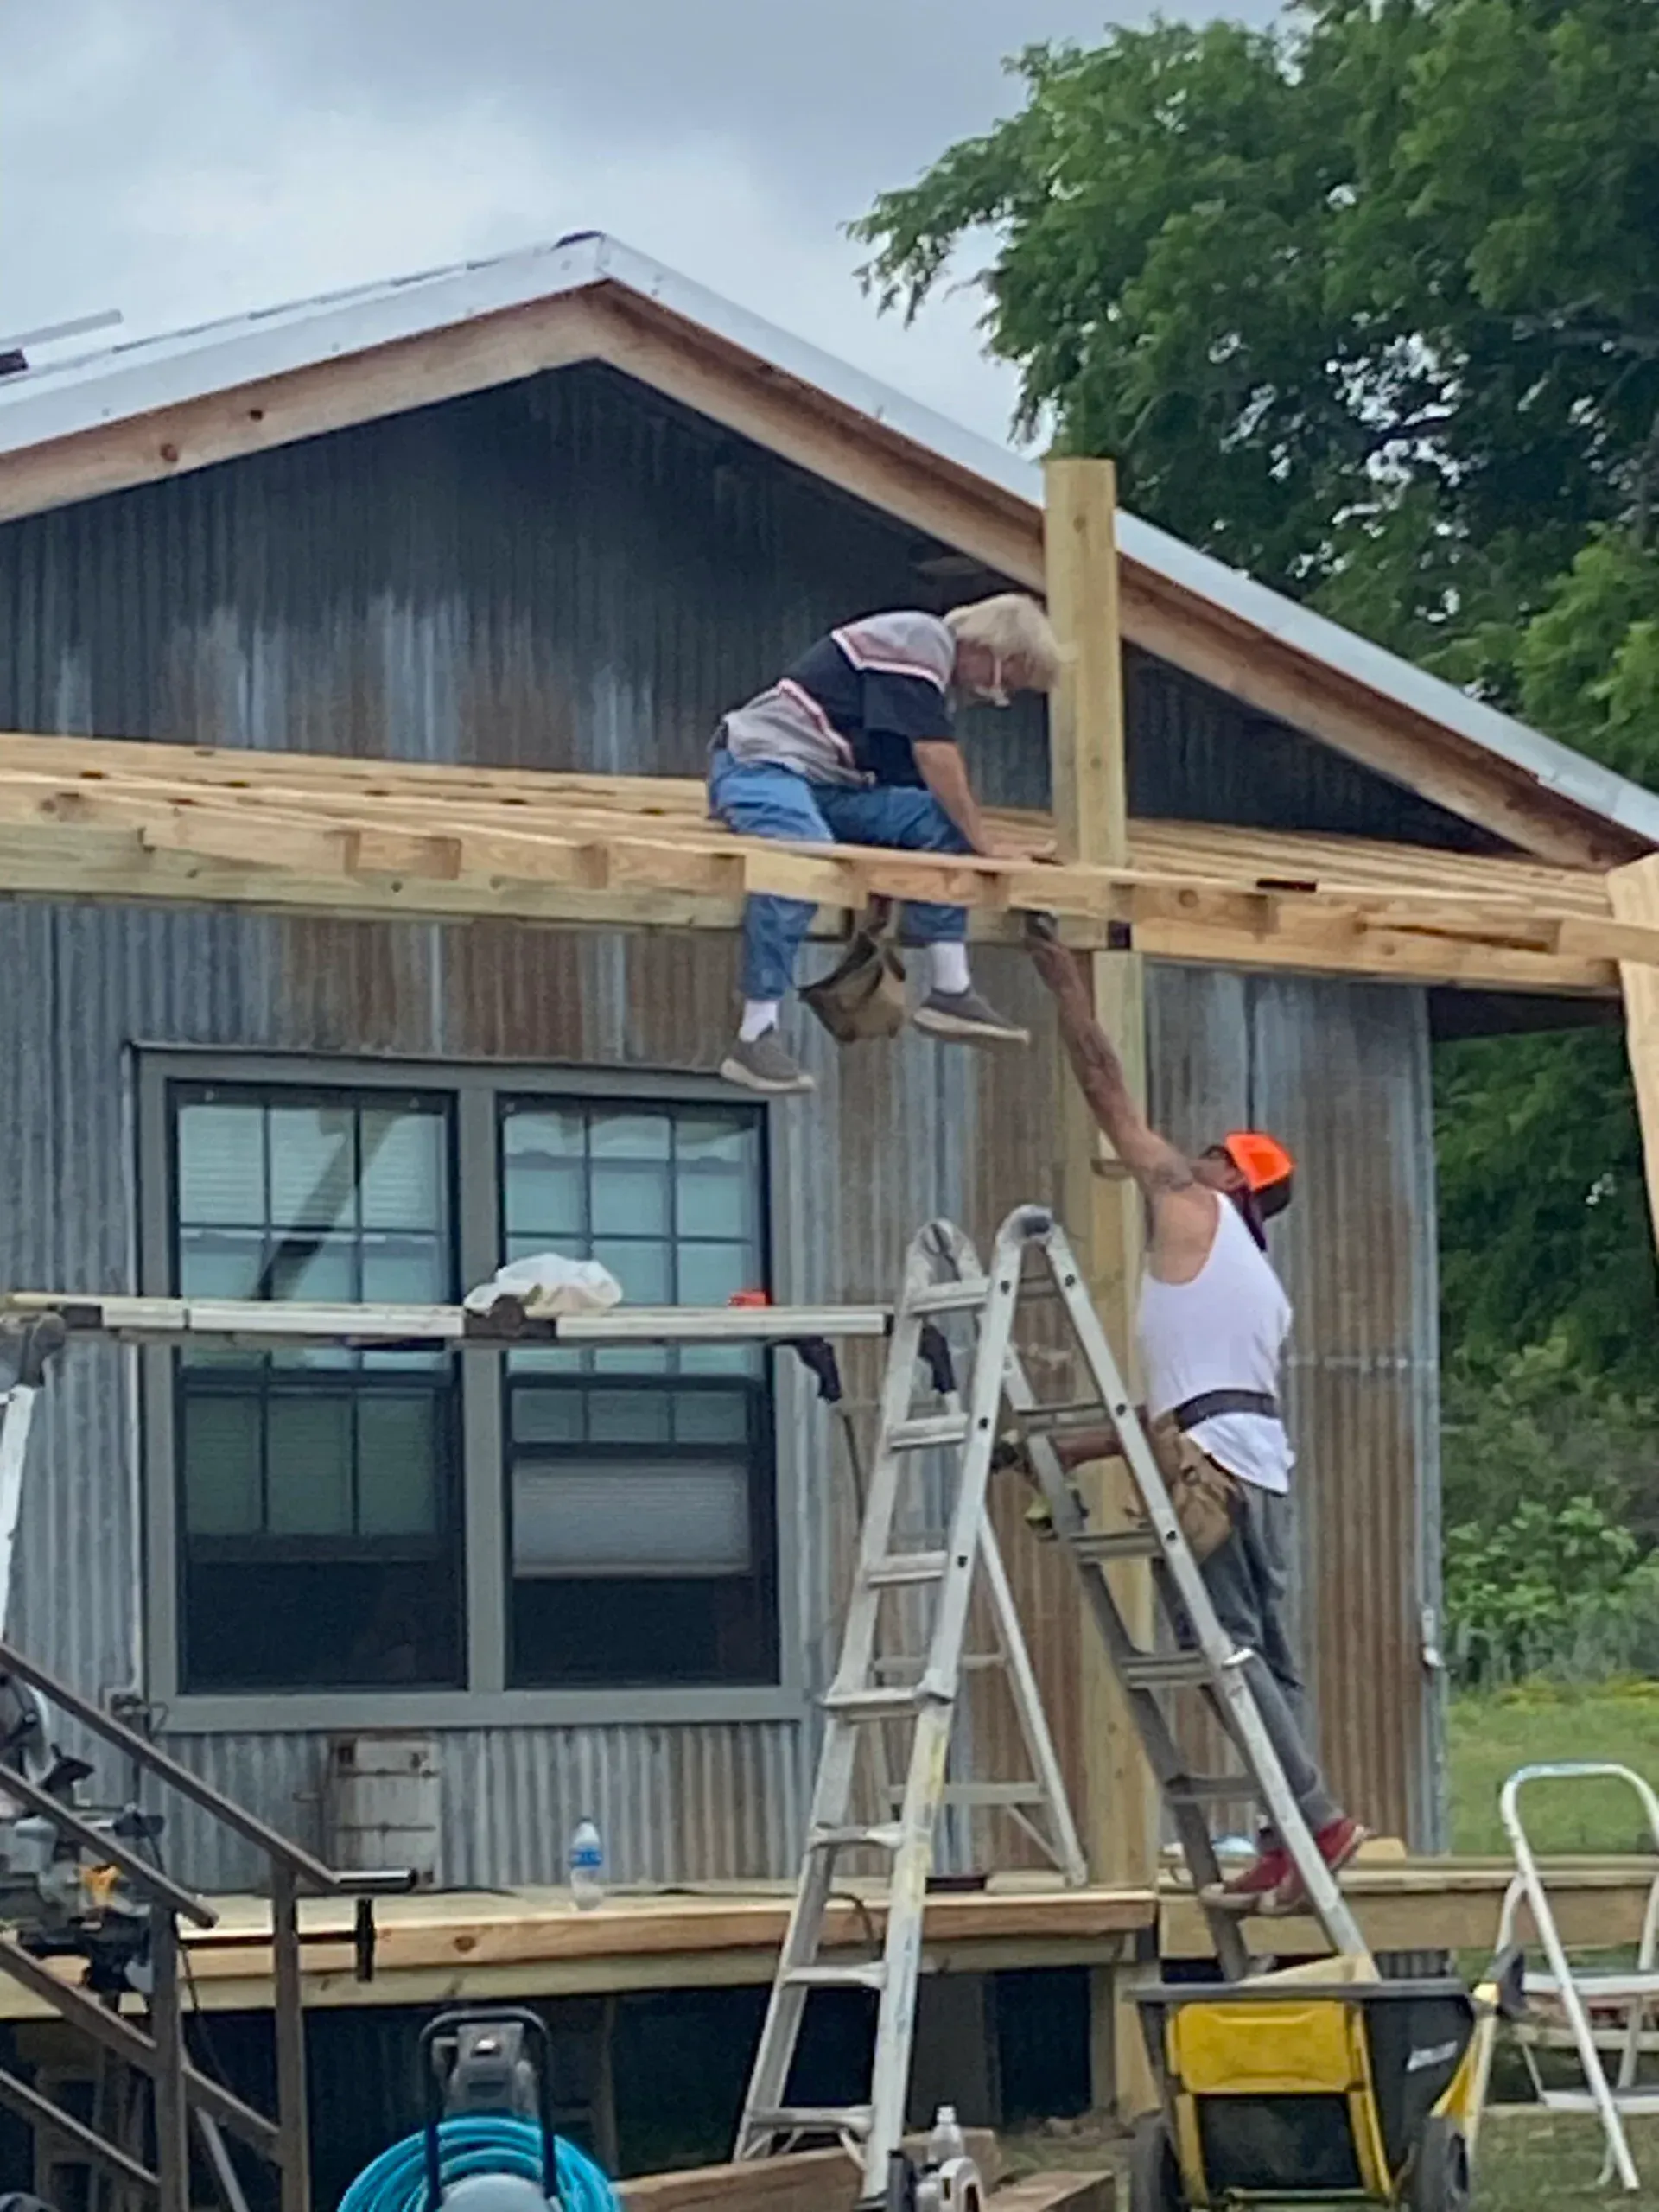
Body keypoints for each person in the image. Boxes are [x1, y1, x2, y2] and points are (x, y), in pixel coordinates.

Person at [1026, 929, 1368, 1914]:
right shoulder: (1253, 1283)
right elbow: (1176, 1405)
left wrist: (1065, 979)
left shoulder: (1191, 1207)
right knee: (1268, 1659)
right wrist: (1064, 1449)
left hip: (1211, 1463)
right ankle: (1289, 1835)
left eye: (1215, 1155)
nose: (1195, 1154)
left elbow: (1106, 1086)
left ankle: (1314, 1820)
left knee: (1222, 1648)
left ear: (1231, 1183)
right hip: (1251, 1464)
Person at [709, 595, 1062, 1094]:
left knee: (939, 821)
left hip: (832, 785)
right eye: (1008, 682)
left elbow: (918, 785)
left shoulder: (930, 685)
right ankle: (755, 1033)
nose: (997, 696)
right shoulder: (920, 640)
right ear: (991, 648)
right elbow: (935, 756)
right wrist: (985, 845)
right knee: (798, 858)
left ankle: (951, 988)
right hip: (762, 765)